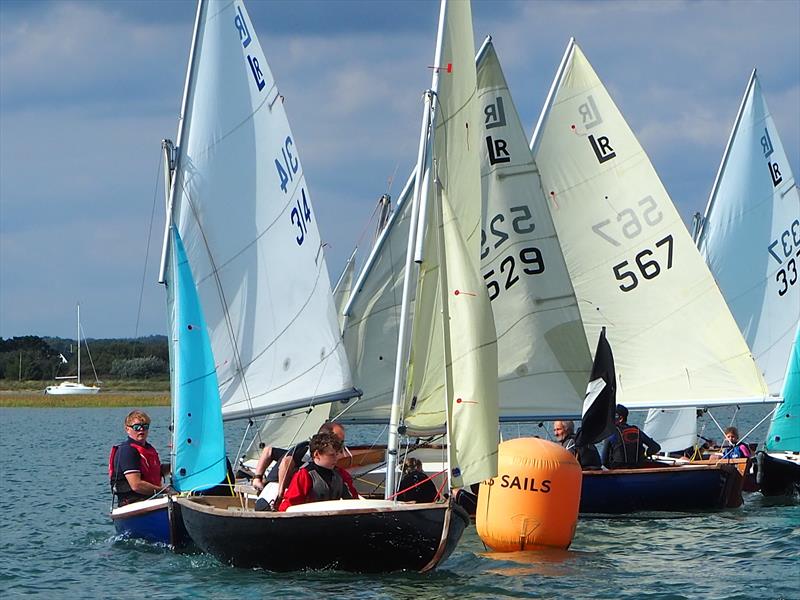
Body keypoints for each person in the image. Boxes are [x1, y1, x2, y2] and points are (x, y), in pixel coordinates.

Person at [252, 421, 346, 511]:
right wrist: (281, 491)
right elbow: (285, 463)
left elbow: (270, 451)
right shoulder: (306, 450)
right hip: (276, 486)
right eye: (339, 441)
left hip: (292, 487)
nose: (340, 445)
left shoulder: (315, 454)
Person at [277, 431, 359, 511]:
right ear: (316, 454)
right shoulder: (305, 475)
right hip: (310, 519)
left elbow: (353, 500)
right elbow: (288, 505)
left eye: (337, 454)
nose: (336, 458)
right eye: (331, 455)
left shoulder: (341, 474)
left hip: (334, 518)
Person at [109, 410, 170, 506]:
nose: (141, 430)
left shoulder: (148, 448)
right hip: (132, 503)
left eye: (145, 427)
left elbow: (156, 471)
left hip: (151, 498)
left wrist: (177, 466)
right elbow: (136, 485)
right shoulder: (127, 451)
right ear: (127, 429)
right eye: (137, 427)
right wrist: (165, 491)